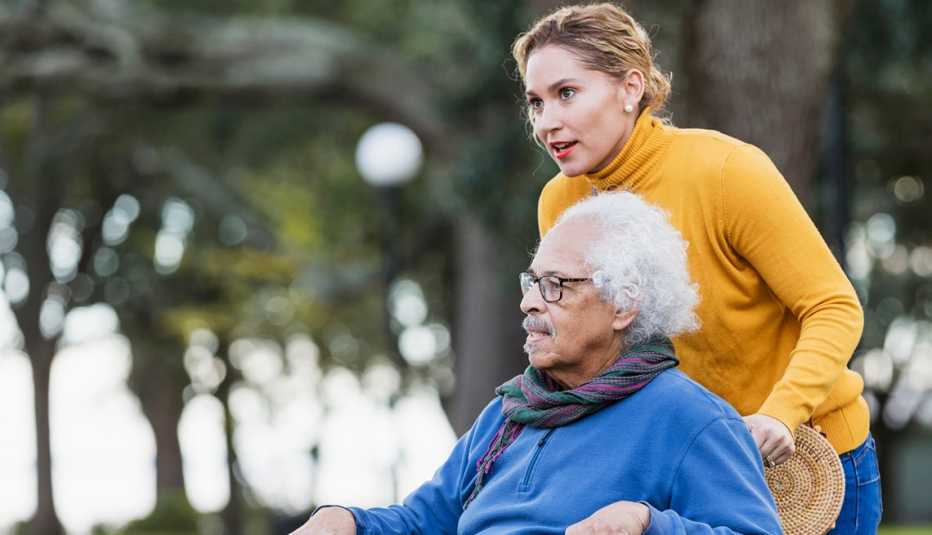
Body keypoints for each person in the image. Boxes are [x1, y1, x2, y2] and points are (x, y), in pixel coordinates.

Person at [512, 3, 881, 533]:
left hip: (810, 460)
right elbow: (594, 346)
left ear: (630, 87)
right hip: (690, 466)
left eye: (567, 93)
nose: (548, 121)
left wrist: (781, 412)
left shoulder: (728, 171)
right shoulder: (561, 203)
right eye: (535, 102)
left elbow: (833, 306)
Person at [291, 192, 782, 535]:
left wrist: (647, 522)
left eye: (557, 286)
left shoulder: (690, 419)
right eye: (531, 283)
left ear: (624, 305)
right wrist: (348, 521)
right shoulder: (511, 411)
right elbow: (424, 523)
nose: (529, 303)